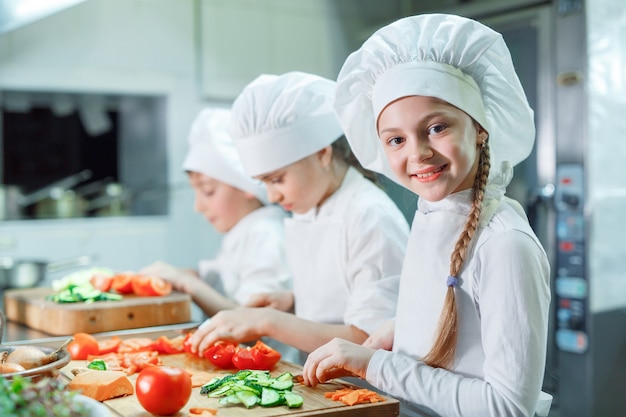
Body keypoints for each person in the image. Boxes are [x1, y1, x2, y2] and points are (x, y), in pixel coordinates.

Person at [301, 14, 552, 417]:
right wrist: (404, 330)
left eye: (436, 128)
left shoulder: (505, 245)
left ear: (480, 127)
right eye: (396, 139)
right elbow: (465, 322)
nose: (417, 153)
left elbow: (506, 407)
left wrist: (375, 366)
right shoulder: (434, 212)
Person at [187, 72, 410, 360]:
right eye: (263, 183)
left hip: (371, 394)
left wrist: (269, 322)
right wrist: (291, 303)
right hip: (326, 382)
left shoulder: (368, 215)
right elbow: (343, 298)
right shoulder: (313, 207)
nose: (271, 197)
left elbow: (369, 338)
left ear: (322, 154)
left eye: (277, 179)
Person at [140, 108, 291, 319]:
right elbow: (215, 274)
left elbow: (255, 322)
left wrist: (188, 284)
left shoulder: (266, 234)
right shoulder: (244, 229)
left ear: (246, 185)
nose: (198, 206)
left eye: (208, 191)